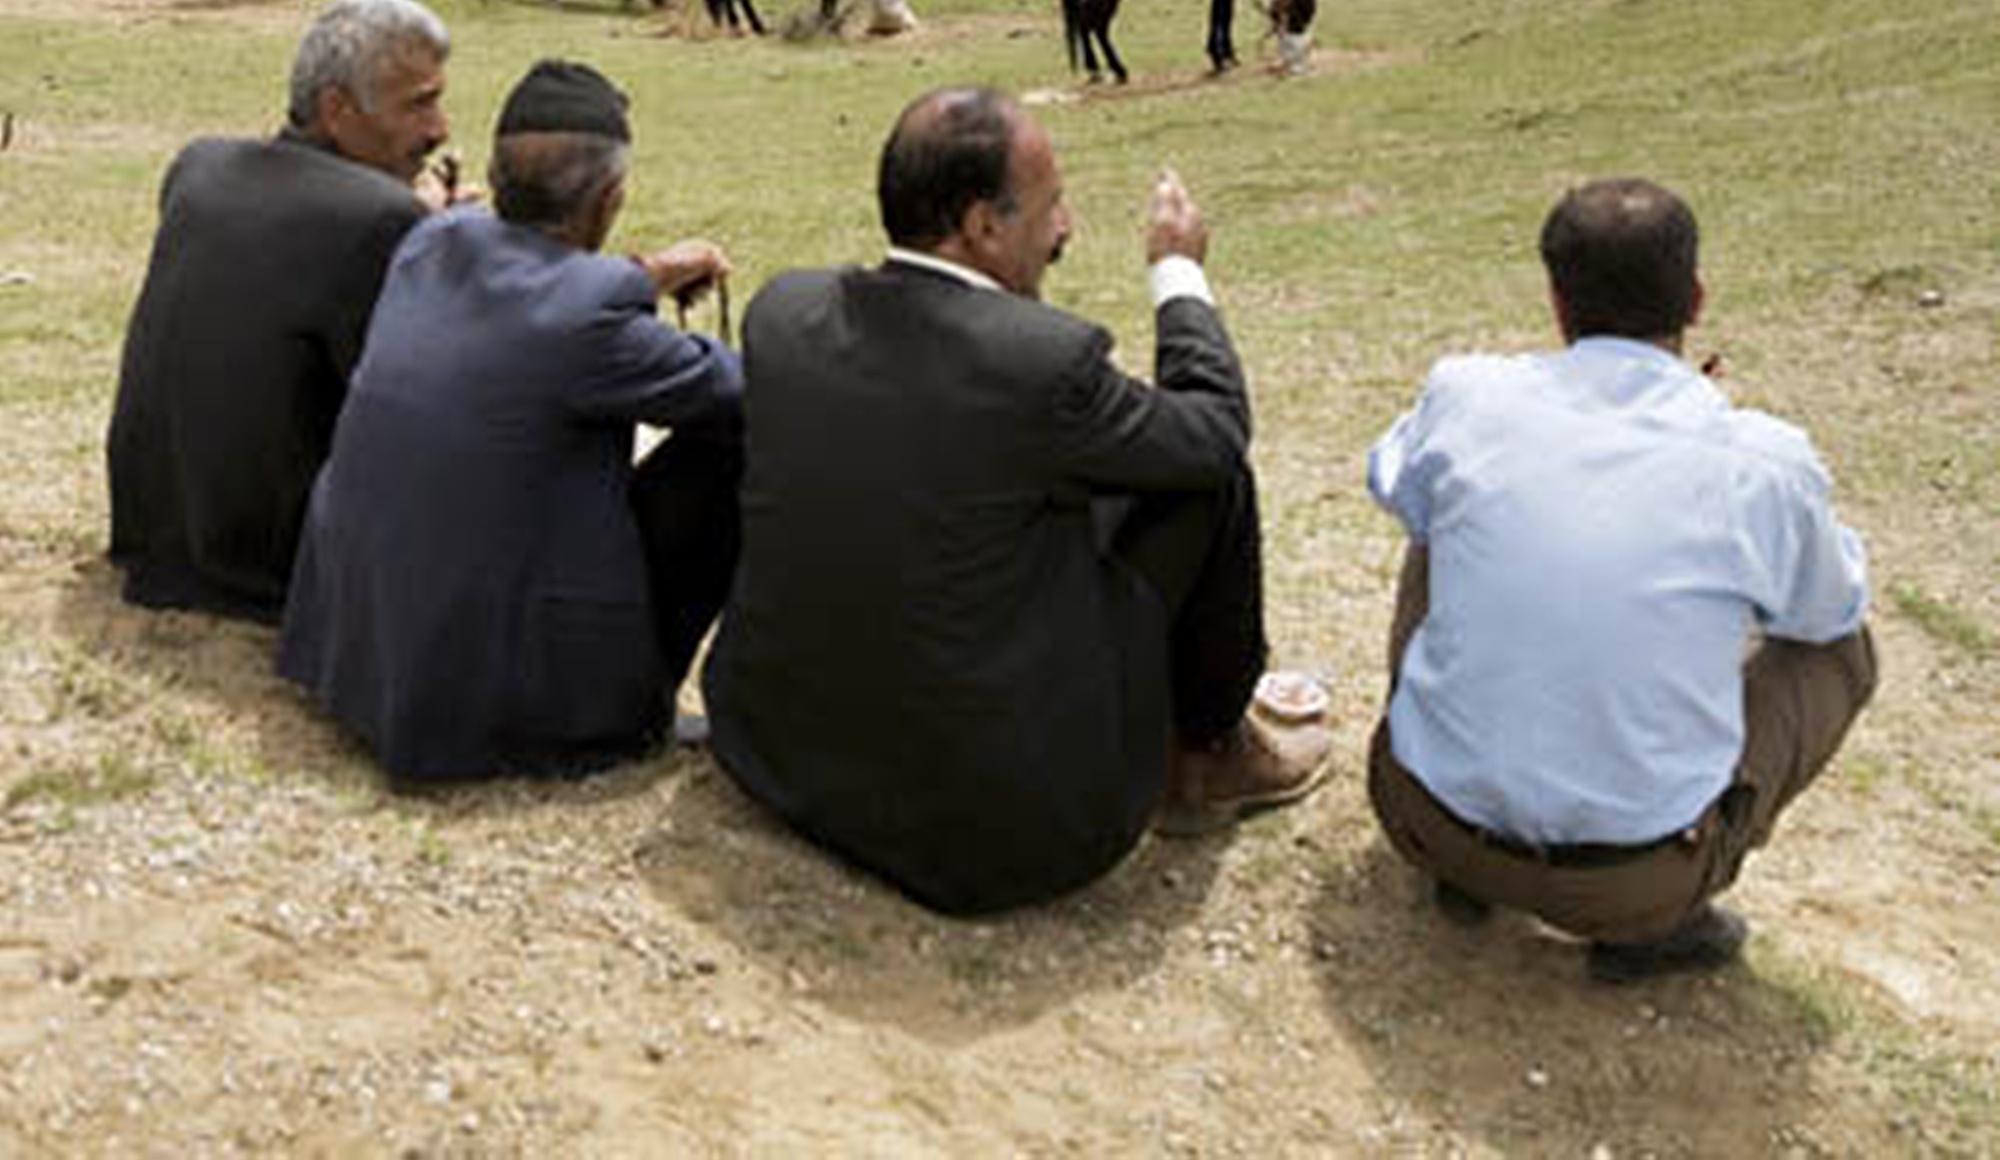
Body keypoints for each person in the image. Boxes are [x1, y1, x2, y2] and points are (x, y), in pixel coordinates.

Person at [705, 87, 1331, 917]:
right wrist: (1177, 270)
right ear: (982, 226)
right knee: (1207, 481)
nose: (1065, 227)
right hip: (985, 838)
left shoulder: (785, 311)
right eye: (1052, 205)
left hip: (772, 753)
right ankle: (1208, 759)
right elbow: (1213, 434)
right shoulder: (1041, 364)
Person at [1366, 177, 1875, 981]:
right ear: (1696, 299)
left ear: (1557, 300)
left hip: (1419, 817)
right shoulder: (1761, 460)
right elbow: (1826, 612)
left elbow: (1392, 479)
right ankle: (1659, 921)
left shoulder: (1468, 394)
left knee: (1433, 518)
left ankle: (1466, 867)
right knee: (1844, 650)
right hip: (1628, 886)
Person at [280, 61, 744, 783]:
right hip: (490, 695)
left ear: (498, 178)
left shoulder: (430, 242)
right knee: (736, 440)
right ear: (610, 197)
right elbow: (744, 390)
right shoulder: (591, 320)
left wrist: (648, 272)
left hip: (358, 651)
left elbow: (535, 298)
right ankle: (632, 707)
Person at [106, 0, 453, 616]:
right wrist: (432, 235)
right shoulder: (384, 219)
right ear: (337, 110)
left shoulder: (199, 166)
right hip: (268, 569)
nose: (439, 129)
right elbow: (425, 411)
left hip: (152, 534)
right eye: (418, 104)